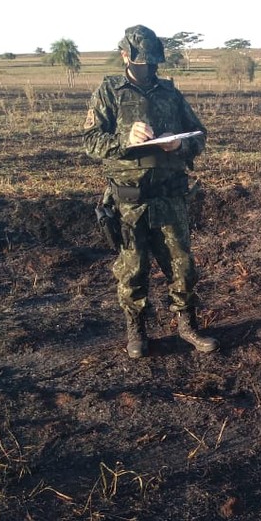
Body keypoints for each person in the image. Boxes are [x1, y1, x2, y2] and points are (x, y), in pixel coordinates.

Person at [83, 24, 218, 358]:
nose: (149, 69)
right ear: (125, 57)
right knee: (133, 269)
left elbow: (199, 135)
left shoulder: (170, 93)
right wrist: (124, 139)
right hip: (129, 200)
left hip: (170, 196)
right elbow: (91, 141)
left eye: (153, 63)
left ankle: (187, 326)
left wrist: (179, 145)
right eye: (143, 63)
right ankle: (137, 331)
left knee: (182, 267)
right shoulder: (109, 91)